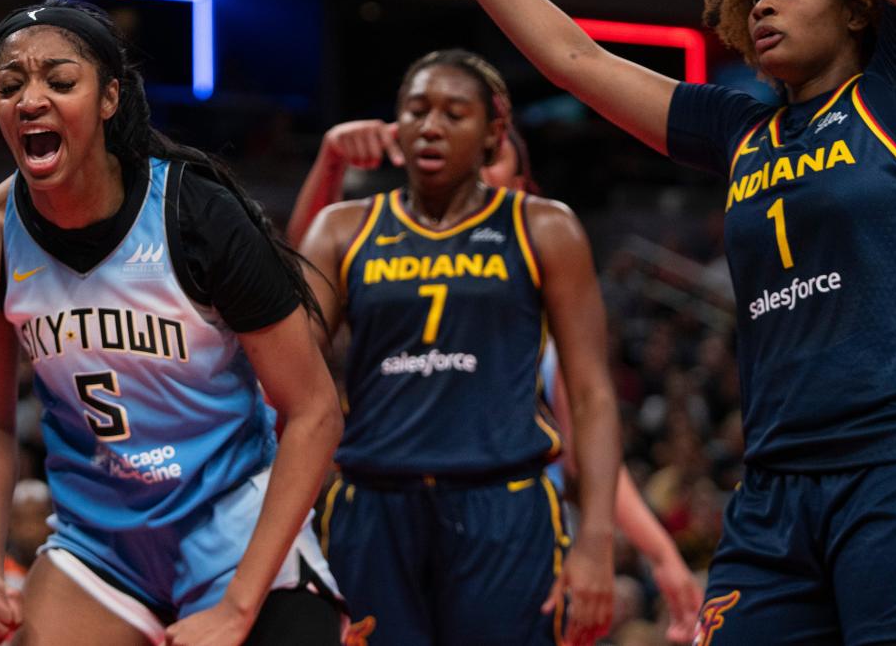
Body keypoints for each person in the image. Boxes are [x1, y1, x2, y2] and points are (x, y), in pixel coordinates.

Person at [447, 0, 896, 643]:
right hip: (773, 489)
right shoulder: (739, 130)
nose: (764, 6)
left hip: (886, 469)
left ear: (859, 7)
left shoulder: (888, 91)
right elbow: (575, 57)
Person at [0, 0, 344, 646]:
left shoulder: (197, 215)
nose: (29, 98)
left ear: (109, 97)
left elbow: (316, 412)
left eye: (60, 80)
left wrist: (239, 607)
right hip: (100, 541)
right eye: (10, 85)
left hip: (232, 519)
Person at [289, 115, 702, 643]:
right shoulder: (389, 262)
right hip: (396, 522)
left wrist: (658, 555)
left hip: (511, 532)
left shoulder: (540, 298)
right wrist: (330, 162)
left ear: (523, 188)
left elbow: (588, 444)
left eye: (488, 157)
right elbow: (300, 292)